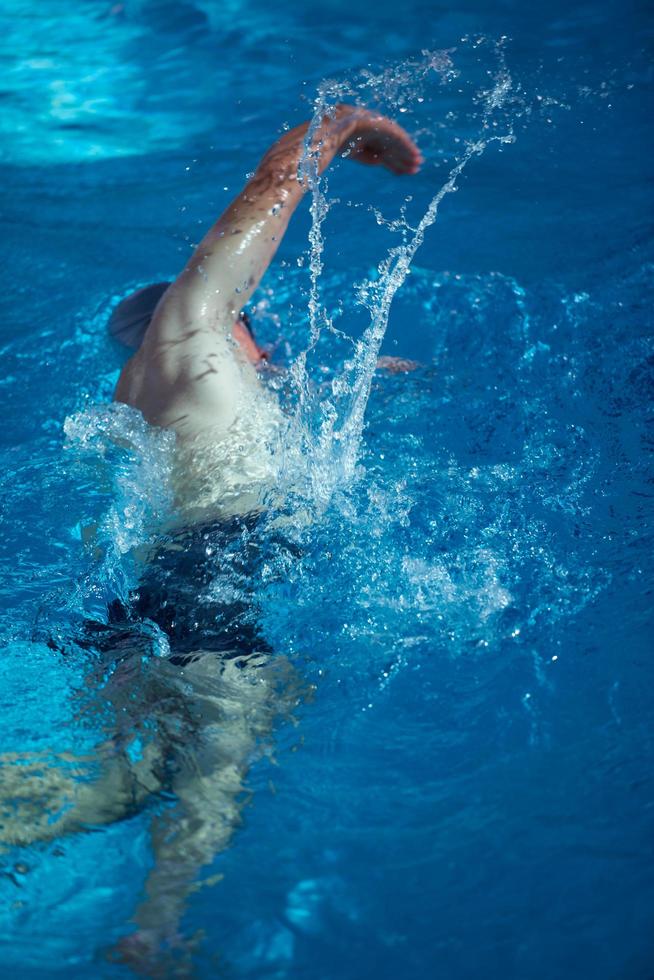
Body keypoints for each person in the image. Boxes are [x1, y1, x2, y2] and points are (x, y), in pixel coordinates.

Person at [112, 104, 423, 518]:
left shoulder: (146, 412)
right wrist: (343, 121)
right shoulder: (189, 337)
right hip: (232, 550)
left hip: (199, 562)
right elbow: (271, 187)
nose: (266, 350)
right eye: (242, 319)